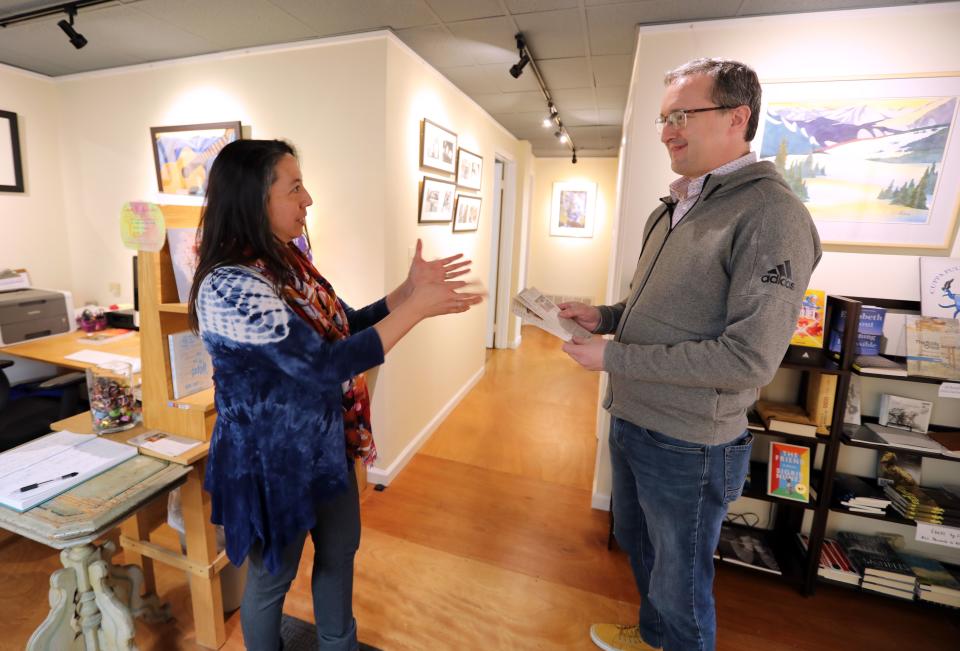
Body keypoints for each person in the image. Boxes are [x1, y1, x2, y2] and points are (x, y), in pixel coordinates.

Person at [559, 58, 822, 651]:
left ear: (738, 117)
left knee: (681, 581)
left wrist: (613, 359)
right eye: (662, 118)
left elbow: (746, 360)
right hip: (633, 419)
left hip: (690, 442)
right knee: (639, 544)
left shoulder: (771, 216)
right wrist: (600, 317)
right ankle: (654, 637)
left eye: (682, 114)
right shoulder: (675, 206)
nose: (667, 130)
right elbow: (650, 311)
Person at [186, 139, 483, 651]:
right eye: (294, 186)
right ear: (254, 198)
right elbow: (321, 365)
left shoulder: (287, 262)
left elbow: (344, 326)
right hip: (270, 461)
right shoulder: (228, 286)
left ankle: (337, 643)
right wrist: (416, 312)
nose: (309, 200)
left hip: (324, 441)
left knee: (340, 549)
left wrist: (406, 292)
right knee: (272, 577)